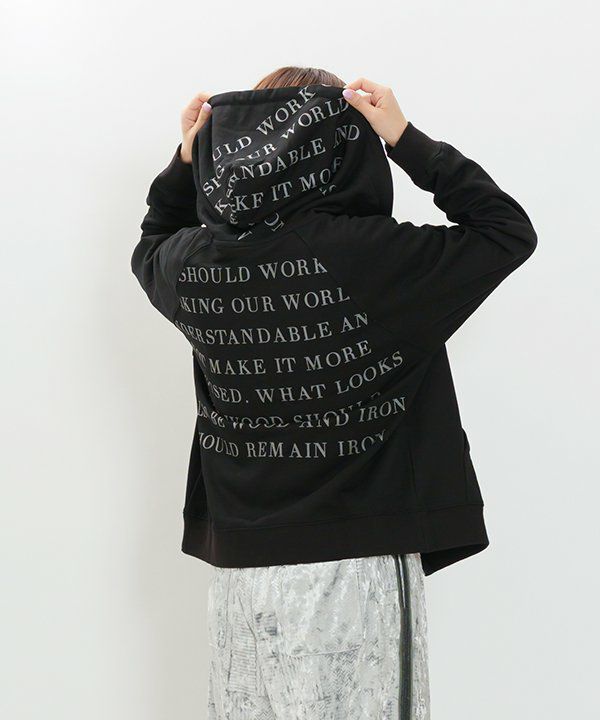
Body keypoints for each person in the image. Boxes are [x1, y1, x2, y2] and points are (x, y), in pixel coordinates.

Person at [131, 66, 537, 719]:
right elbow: (505, 231)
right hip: (357, 571)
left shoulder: (197, 264)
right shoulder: (374, 257)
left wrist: (187, 161)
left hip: (241, 581)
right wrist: (405, 138)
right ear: (346, 146)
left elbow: (151, 238)